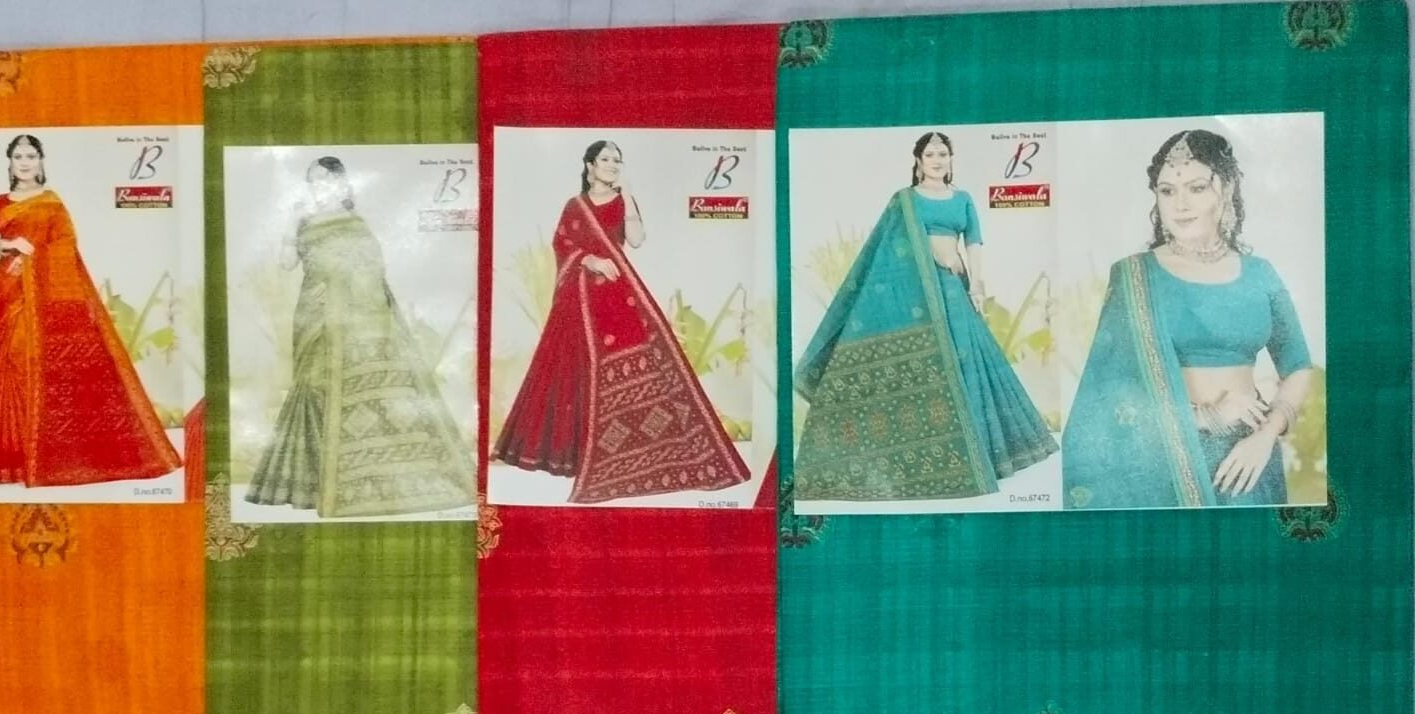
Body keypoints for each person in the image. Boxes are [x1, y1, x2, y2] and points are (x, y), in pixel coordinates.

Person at [794, 132, 1057, 503]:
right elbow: (889, 244)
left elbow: (974, 243)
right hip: (915, 288)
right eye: (930, 154)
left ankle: (980, 454)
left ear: (951, 159)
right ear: (918, 160)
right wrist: (933, 253)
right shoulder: (905, 200)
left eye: (943, 153)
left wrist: (976, 285)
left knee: (965, 358)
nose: (937, 160)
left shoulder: (963, 199)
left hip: (953, 287)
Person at [1063, 129, 1315, 509]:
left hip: (1250, 460)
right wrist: (1209, 416)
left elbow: (1297, 366)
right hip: (1169, 456)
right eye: (1167, 191)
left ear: (1226, 189)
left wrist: (1266, 436)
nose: (1180, 204)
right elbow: (1108, 398)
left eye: (1196, 188)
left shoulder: (1261, 274)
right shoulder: (1134, 277)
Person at [492, 138, 751, 504]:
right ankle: (572, 454)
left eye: (618, 159)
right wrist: (589, 260)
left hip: (617, 296)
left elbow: (637, 239)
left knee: (644, 361)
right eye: (606, 159)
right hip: (580, 299)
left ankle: (643, 450)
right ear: (590, 166)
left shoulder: (622, 200)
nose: (613, 164)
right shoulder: (575, 206)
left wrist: (628, 195)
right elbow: (561, 244)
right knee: (573, 367)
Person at [0, 134, 182, 488]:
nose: (24, 162)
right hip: (8, 288)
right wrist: (8, 245)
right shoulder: (1, 201)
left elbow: (65, 246)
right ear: (10, 162)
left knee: (25, 360)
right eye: (18, 156)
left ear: (40, 161)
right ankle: (9, 456)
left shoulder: (51, 202)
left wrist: (32, 261)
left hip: (42, 289)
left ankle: (28, 455)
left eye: (30, 156)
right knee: (10, 360)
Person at [245, 156, 474, 518]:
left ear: (341, 183)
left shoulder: (355, 224)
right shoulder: (304, 221)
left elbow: (373, 272)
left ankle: (349, 481)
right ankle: (309, 487)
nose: (318, 187)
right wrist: (290, 221)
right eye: (312, 180)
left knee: (335, 389)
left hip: (352, 322)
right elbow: (286, 264)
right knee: (311, 387)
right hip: (313, 315)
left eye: (324, 179)